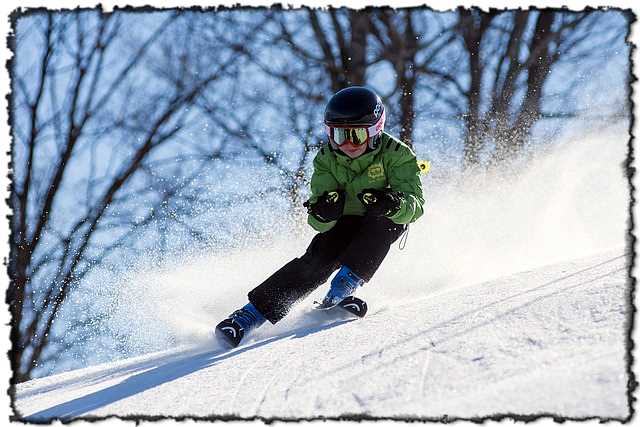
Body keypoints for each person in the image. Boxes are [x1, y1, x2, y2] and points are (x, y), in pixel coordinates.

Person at [215, 86, 425, 348]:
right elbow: (317, 220)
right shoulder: (327, 159)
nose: (346, 144)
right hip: (345, 221)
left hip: (381, 218)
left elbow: (416, 205)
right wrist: (324, 212)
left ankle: (342, 288)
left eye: (356, 135)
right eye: (338, 135)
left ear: (374, 131)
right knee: (319, 256)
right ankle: (249, 316)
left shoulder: (397, 154)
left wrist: (393, 203)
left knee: (386, 223)